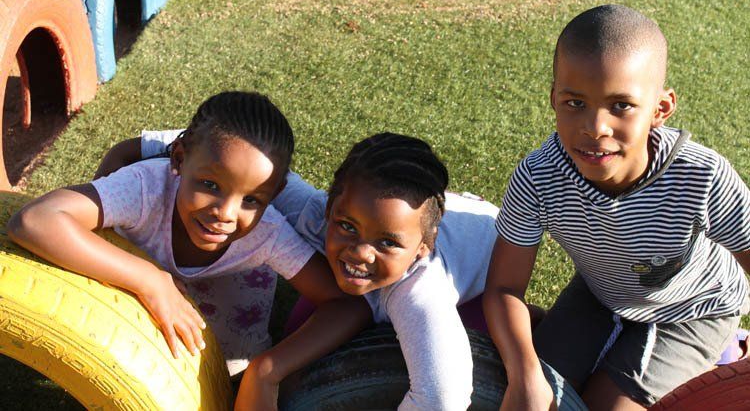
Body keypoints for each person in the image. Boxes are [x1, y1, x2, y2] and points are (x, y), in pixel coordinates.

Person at [127, 130, 567, 410]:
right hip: (413, 247)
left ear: (419, 249)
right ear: (331, 205)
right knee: (302, 333)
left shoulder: (422, 291)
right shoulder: (310, 211)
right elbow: (241, 154)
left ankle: (531, 318)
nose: (360, 252)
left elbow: (442, 398)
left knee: (470, 333)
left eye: (386, 243)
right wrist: (143, 150)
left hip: (478, 273)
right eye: (346, 225)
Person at [8, 91, 370, 410]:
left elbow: (346, 305)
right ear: (178, 160)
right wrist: (150, 279)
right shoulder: (147, 188)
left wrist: (266, 371)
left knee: (228, 375)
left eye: (251, 200)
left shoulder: (267, 232)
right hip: (148, 286)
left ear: (272, 198)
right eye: (211, 184)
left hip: (228, 309)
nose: (225, 214)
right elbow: (37, 219)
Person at [483, 4, 750, 410]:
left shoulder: (702, 176)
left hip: (694, 309)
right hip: (601, 292)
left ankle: (726, 350)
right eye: (575, 103)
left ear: (660, 109)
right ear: (554, 98)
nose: (595, 127)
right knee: (530, 391)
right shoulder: (539, 176)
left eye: (621, 105)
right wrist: (525, 375)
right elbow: (504, 287)